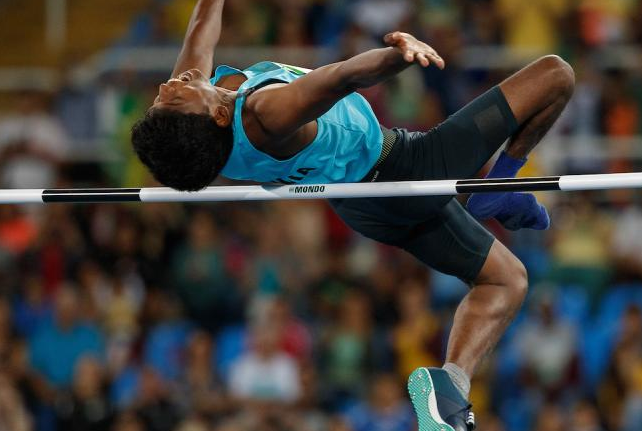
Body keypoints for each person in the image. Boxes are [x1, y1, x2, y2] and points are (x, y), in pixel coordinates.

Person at [130, 1, 574, 430]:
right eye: (174, 97)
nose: (167, 87)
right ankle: (506, 183)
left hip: (361, 205)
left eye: (162, 96)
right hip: (403, 170)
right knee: (555, 74)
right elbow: (338, 78)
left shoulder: (199, 126)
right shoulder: (264, 115)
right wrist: (398, 56)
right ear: (220, 114)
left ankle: (450, 387)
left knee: (506, 279)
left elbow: (201, 30)